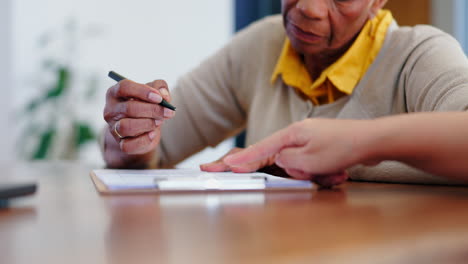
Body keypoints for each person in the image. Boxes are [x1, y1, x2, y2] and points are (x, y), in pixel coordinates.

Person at [103, 0, 468, 187]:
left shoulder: (419, 55)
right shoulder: (263, 43)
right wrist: (132, 134)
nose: (307, 8)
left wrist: (353, 147)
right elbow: (157, 149)